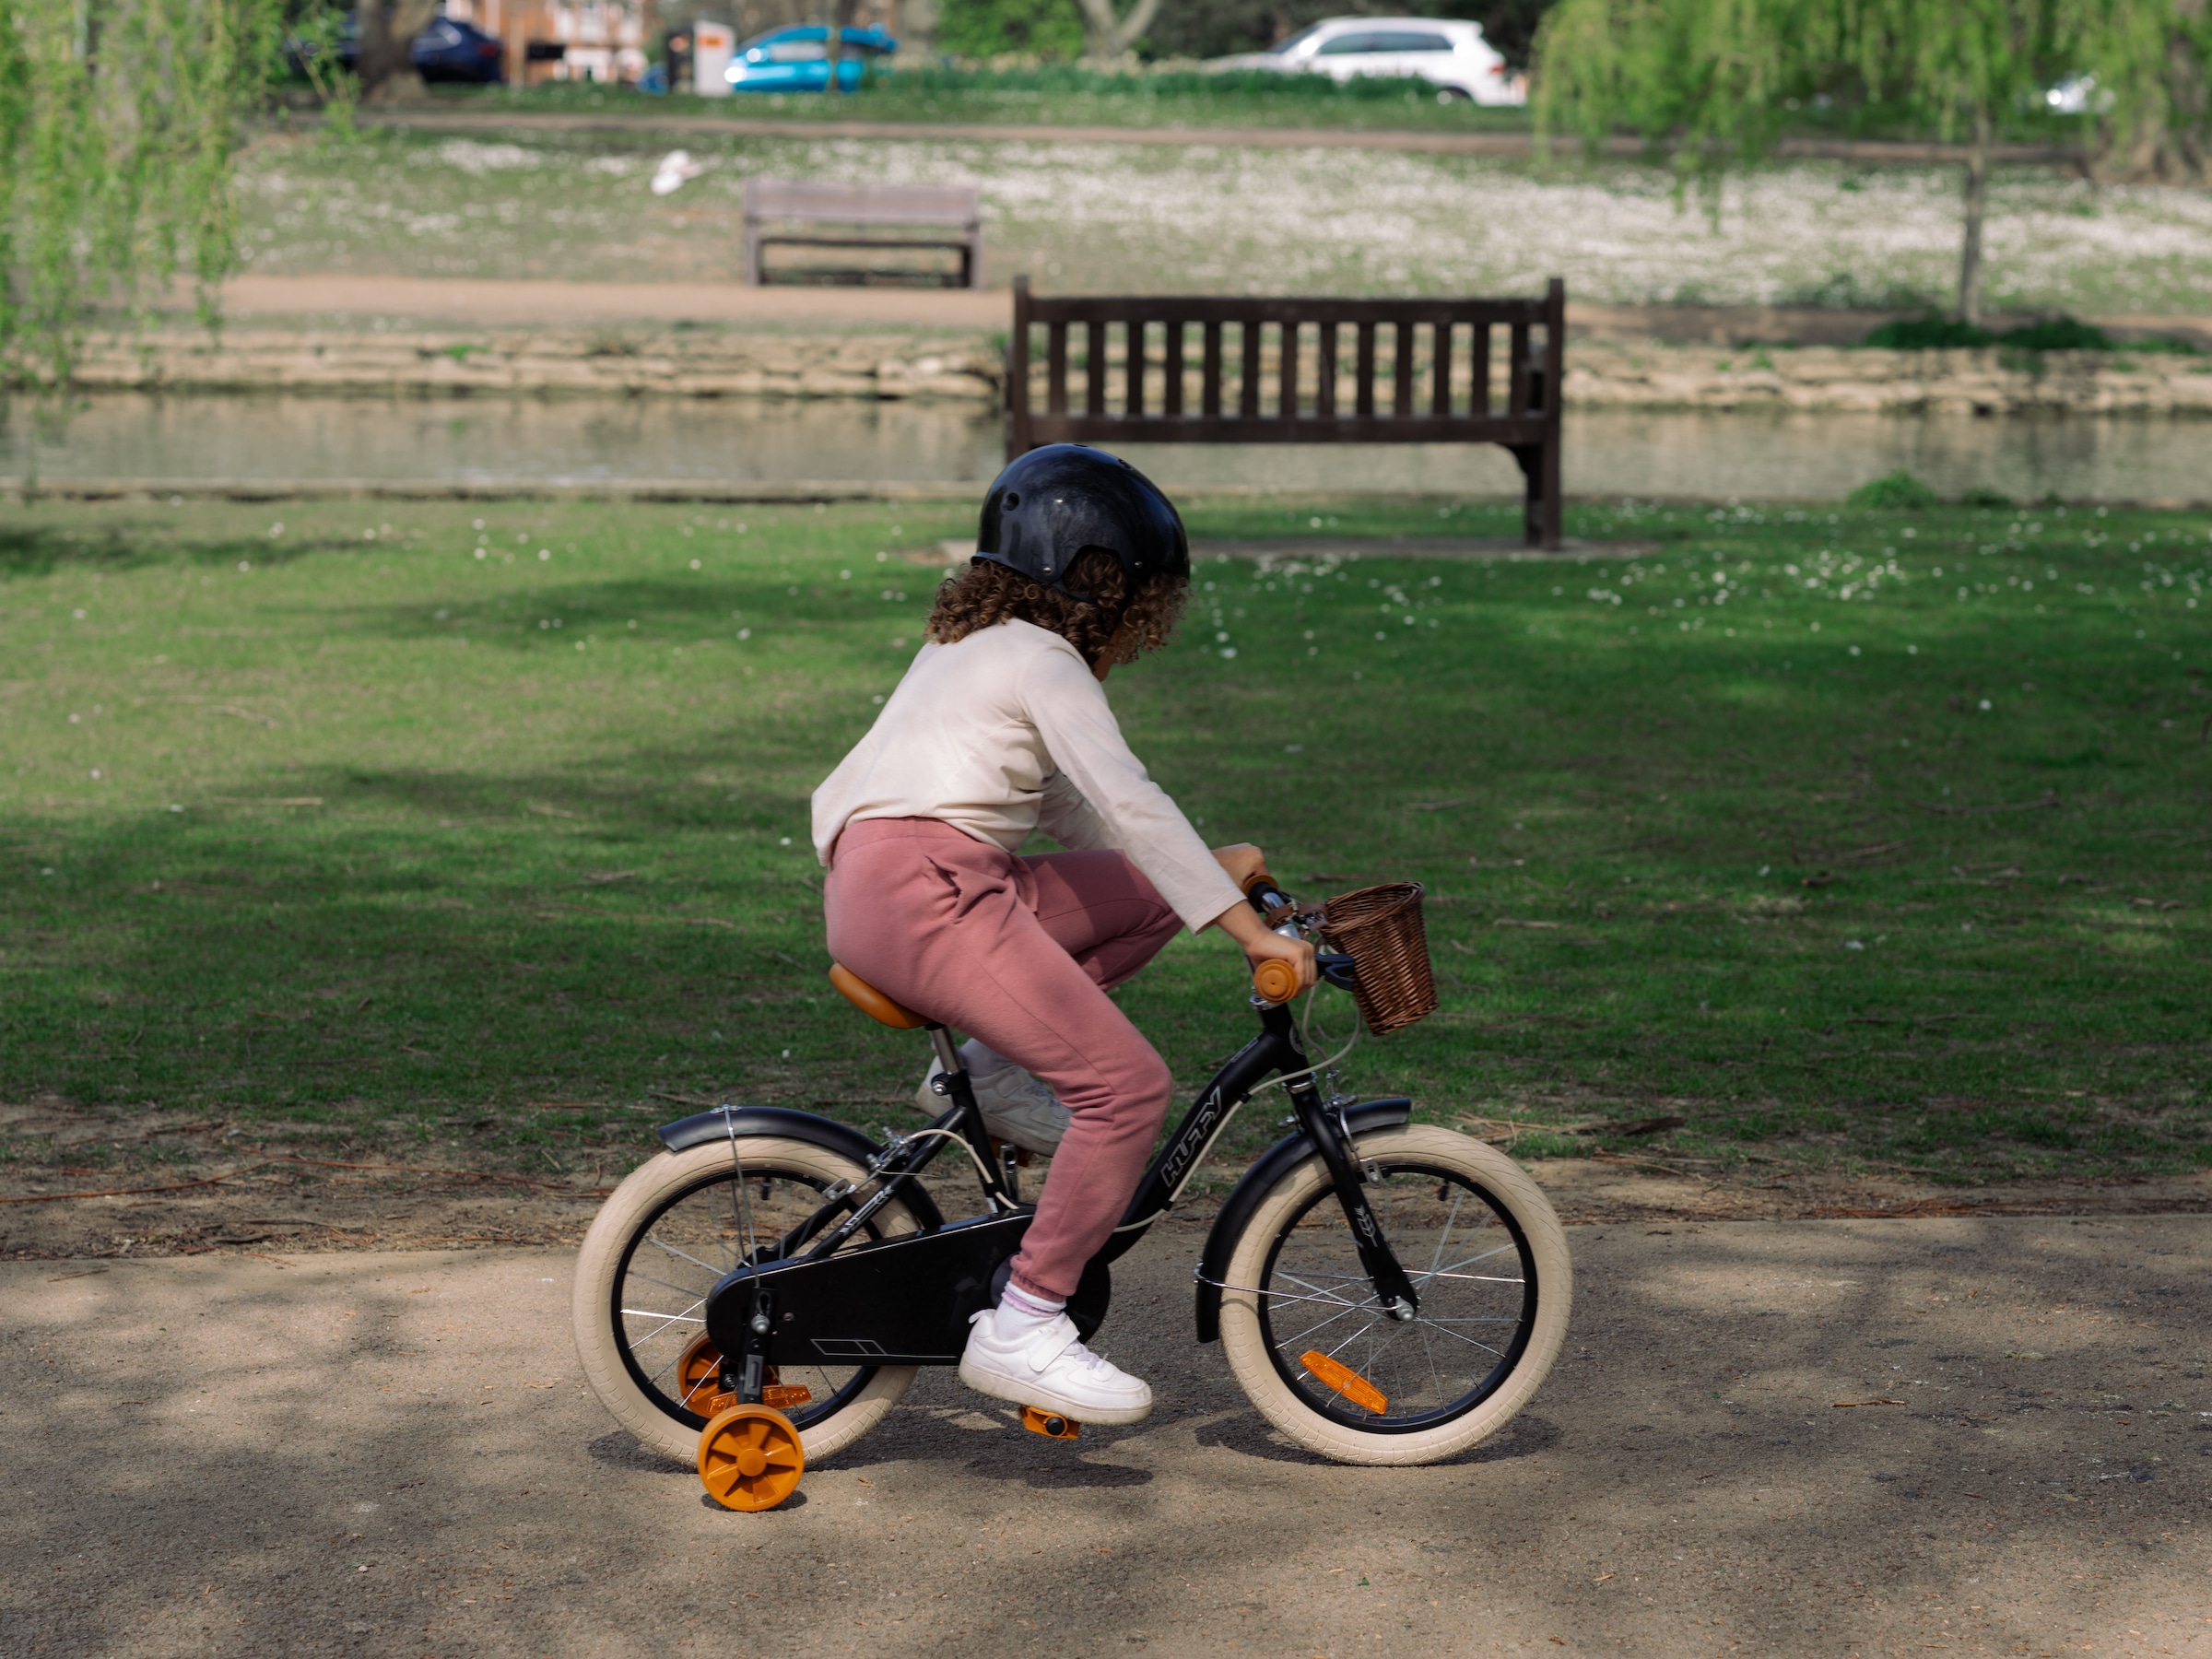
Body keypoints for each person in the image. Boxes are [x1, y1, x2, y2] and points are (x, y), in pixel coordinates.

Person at [812, 444, 1316, 1427]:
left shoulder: (977, 647)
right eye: (1148, 602)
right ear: (1103, 582)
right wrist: (1253, 935)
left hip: (908, 882)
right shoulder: (1041, 658)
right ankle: (1025, 1324)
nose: (1149, 626)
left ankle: (994, 1078)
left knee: (1153, 892)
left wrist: (1210, 882)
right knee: (1126, 1091)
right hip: (933, 893)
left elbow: (1084, 822)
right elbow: (1130, 801)